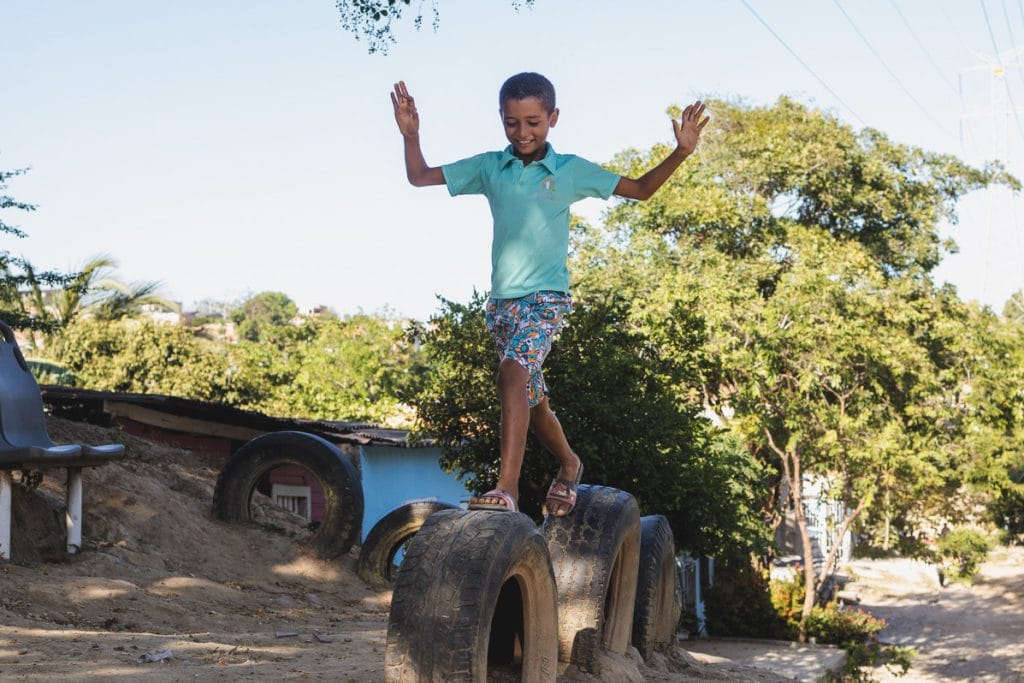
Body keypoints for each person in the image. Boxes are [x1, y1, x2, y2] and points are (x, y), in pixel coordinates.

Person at [391, 72, 708, 516]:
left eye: (534, 122)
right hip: (502, 306)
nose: (523, 132)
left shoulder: (569, 171)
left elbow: (641, 190)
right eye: (512, 123)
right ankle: (570, 463)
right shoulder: (489, 167)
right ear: (501, 120)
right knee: (532, 400)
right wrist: (412, 135)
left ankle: (507, 489)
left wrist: (680, 152)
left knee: (512, 374)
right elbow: (419, 176)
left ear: (553, 118)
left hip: (546, 299)